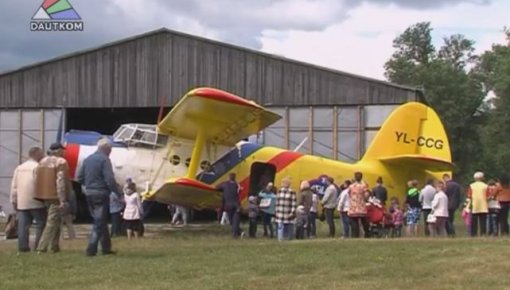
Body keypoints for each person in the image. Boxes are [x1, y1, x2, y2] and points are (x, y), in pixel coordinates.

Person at [78, 138, 121, 256]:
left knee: (100, 221)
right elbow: (109, 179)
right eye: (110, 149)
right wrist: (117, 193)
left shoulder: (87, 159)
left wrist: (89, 185)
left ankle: (106, 248)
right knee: (99, 222)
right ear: (107, 149)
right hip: (101, 193)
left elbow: (79, 177)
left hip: (89, 194)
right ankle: (91, 249)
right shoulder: (105, 160)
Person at [35, 143, 72, 254]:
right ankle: (42, 247)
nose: (64, 152)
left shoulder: (42, 162)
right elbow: (60, 181)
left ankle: (54, 246)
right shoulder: (61, 162)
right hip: (55, 195)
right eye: (62, 150)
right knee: (51, 221)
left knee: (56, 220)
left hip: (44, 195)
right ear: (59, 151)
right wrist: (62, 199)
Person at [10, 147, 46, 252]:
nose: (43, 156)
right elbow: (40, 184)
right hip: (36, 201)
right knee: (40, 224)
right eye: (42, 154)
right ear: (37, 154)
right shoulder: (38, 167)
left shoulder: (19, 168)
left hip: (22, 201)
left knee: (23, 226)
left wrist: (14, 200)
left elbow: (14, 186)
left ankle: (23, 247)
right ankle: (39, 246)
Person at [217, 173, 243, 238]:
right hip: (236, 205)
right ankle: (238, 233)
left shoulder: (224, 184)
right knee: (235, 221)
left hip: (228, 205)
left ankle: (236, 234)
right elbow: (239, 193)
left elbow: (217, 187)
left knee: (232, 221)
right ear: (235, 178)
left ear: (228, 177)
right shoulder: (237, 185)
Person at [348, 172, 370, 238]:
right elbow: (366, 196)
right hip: (361, 206)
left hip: (353, 207)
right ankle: (367, 234)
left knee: (354, 223)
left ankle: (354, 235)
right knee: (364, 222)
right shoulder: (363, 186)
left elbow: (349, 194)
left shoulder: (351, 186)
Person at [275, 177, 297, 241]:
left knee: (289, 225)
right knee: (280, 226)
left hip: (288, 212)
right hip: (280, 212)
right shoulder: (279, 191)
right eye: (283, 182)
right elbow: (277, 202)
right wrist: (276, 211)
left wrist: (292, 212)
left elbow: (294, 203)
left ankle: (289, 238)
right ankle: (280, 239)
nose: (284, 184)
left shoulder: (292, 192)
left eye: (286, 183)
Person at [466, 172, 488, 237]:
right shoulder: (485, 186)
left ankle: (473, 234)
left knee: (474, 221)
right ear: (482, 178)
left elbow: (469, 195)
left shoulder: (471, 185)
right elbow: (488, 195)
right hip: (483, 205)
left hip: (474, 205)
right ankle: (483, 233)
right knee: (483, 221)